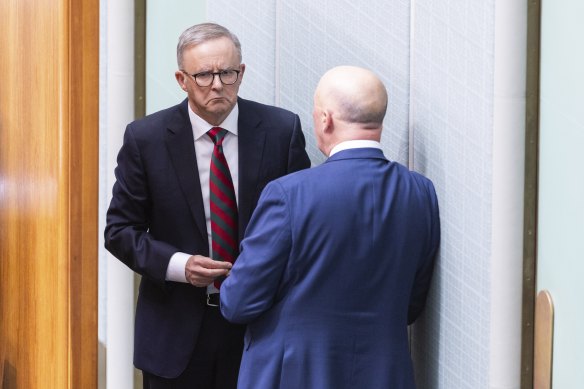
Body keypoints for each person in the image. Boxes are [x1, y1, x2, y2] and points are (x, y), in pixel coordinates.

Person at [104, 22, 310, 389]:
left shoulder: (281, 132)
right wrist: (180, 266)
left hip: (260, 328)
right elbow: (120, 231)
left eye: (227, 73)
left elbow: (304, 226)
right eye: (203, 75)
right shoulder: (147, 139)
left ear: (241, 73)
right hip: (175, 332)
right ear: (181, 79)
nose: (217, 85)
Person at [220, 65, 441, 389]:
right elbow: (411, 304)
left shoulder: (288, 195)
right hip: (385, 376)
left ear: (326, 119)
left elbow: (238, 302)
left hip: (293, 376)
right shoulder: (421, 193)